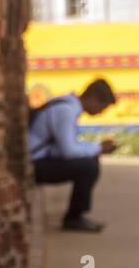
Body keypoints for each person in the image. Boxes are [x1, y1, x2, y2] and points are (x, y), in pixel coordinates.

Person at [28, 78, 117, 232]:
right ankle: (74, 218)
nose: (100, 112)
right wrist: (98, 148)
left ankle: (76, 215)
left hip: (40, 159)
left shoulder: (68, 105)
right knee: (88, 167)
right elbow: (68, 151)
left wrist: (95, 149)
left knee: (89, 161)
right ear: (93, 98)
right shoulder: (66, 110)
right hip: (34, 164)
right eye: (101, 108)